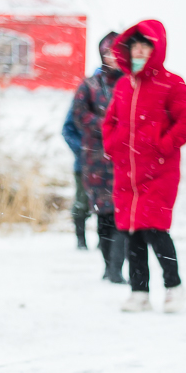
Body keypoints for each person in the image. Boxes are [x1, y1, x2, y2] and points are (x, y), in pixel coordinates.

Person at [103, 21, 186, 313]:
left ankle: (174, 288)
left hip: (159, 172)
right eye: (135, 47)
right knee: (132, 232)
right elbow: (111, 123)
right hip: (127, 172)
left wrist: (162, 147)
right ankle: (139, 292)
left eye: (145, 47)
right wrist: (114, 147)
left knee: (156, 230)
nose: (139, 52)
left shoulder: (172, 83)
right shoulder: (122, 85)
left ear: (156, 50)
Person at [71, 31, 127, 282]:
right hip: (96, 161)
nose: (112, 57)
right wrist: (108, 124)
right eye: (107, 52)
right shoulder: (90, 85)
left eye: (116, 52)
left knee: (122, 215)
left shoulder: (131, 84)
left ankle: (117, 268)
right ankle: (108, 265)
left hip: (126, 160)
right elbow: (79, 116)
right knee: (104, 214)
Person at [61, 107, 89, 249]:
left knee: (110, 206)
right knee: (82, 202)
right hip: (83, 165)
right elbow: (67, 129)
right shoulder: (83, 97)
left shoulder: (117, 92)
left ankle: (105, 243)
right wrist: (83, 150)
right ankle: (81, 240)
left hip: (111, 164)